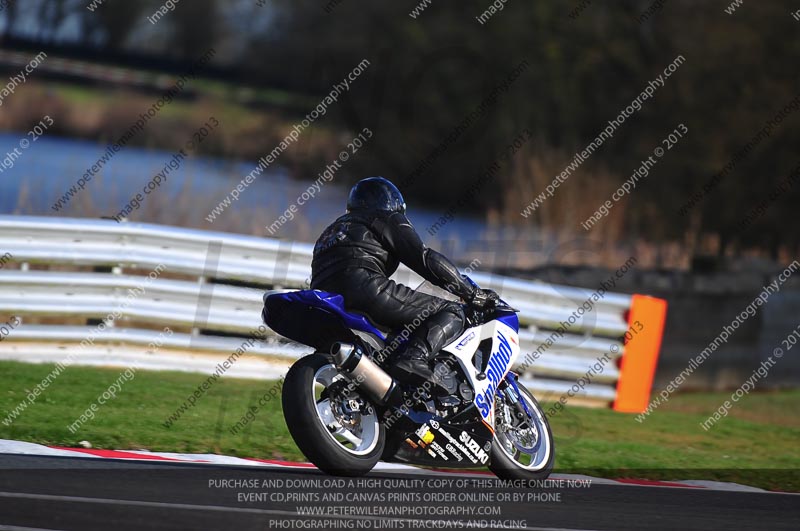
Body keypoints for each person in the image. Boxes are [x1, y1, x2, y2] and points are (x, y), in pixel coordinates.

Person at [311, 177, 498, 385]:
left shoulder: (331, 231)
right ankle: (413, 359)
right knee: (453, 311)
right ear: (391, 203)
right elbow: (425, 259)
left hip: (326, 297)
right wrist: (471, 292)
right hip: (365, 289)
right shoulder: (385, 218)